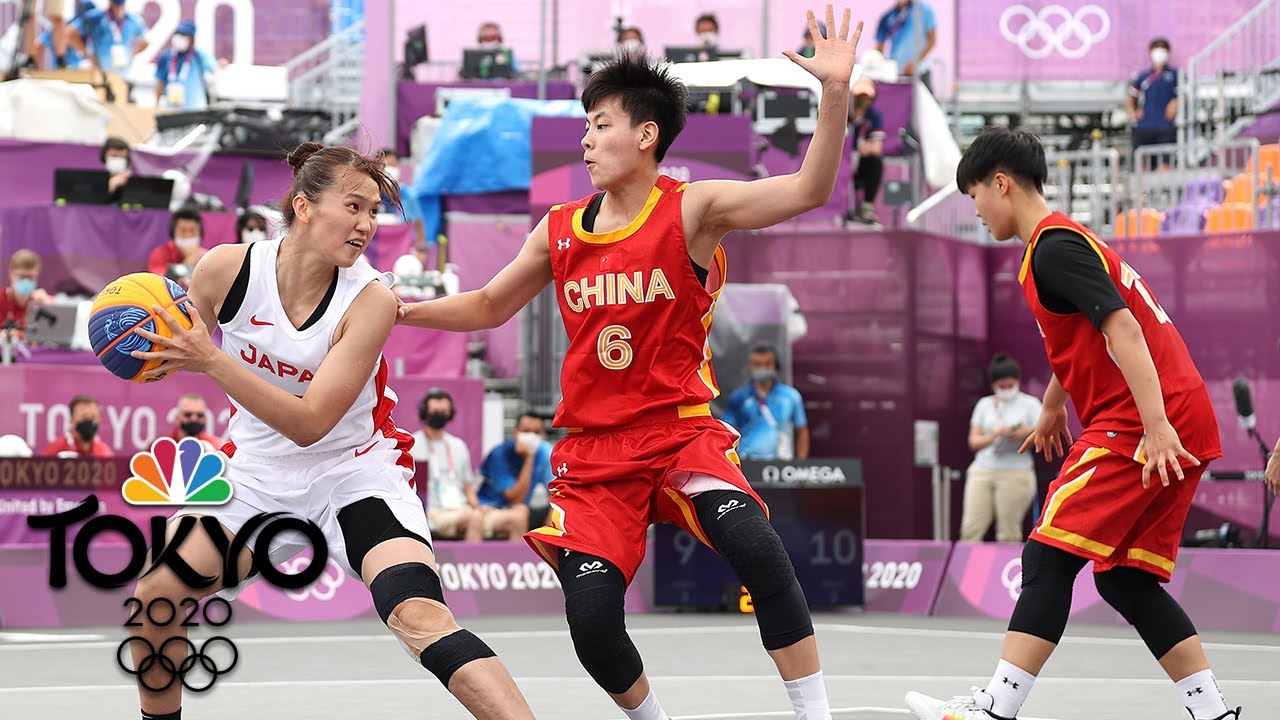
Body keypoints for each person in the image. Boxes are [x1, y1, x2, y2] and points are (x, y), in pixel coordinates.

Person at [398, 8, 862, 719]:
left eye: (600, 124)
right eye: (584, 127)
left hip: (680, 435)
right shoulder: (559, 230)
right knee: (591, 625)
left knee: (759, 552)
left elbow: (808, 189)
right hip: (595, 454)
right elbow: (489, 304)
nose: (586, 140)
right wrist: (400, 311)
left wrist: (833, 92)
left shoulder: (693, 210)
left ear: (646, 135)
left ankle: (816, 714)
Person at [125, 142, 535, 720]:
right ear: (304, 207)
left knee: (418, 614)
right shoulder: (225, 270)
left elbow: (310, 424)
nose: (367, 224)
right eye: (354, 207)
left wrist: (210, 360)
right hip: (254, 476)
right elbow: (177, 347)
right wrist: (139, 342)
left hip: (353, 473)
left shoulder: (370, 301)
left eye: (375, 212)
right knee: (156, 595)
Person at [905, 127, 1237, 720]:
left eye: (974, 195)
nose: (975, 210)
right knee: (1125, 580)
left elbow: (1123, 328)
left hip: (1143, 420)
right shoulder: (1063, 244)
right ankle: (1214, 713)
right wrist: (1055, 402)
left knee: (1046, 558)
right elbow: (1086, 335)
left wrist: (1155, 424)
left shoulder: (1054, 248)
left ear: (1000, 184)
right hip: (1178, 416)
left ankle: (994, 709)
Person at [958, 354, 1042, 544]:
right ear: (993, 385)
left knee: (1008, 533)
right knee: (971, 530)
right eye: (1001, 386)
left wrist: (1024, 432)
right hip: (982, 469)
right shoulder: (984, 404)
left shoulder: (1030, 404)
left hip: (1016, 472)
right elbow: (973, 441)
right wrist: (994, 435)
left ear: (1018, 381)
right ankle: (967, 563)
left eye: (1010, 385)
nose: (1006, 390)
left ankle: (1004, 563)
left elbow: (1045, 433)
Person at [411, 388, 485, 542]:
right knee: (474, 519)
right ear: (425, 412)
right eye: (435, 411)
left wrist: (478, 507)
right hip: (432, 511)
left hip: (461, 507)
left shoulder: (458, 445)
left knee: (516, 518)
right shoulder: (412, 444)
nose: (439, 415)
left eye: (444, 411)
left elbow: (467, 486)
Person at [722, 345, 810, 461]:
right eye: (757, 364)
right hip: (746, 461)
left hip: (781, 461)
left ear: (776, 366)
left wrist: (800, 464)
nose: (762, 368)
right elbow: (727, 432)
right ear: (750, 366)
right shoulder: (739, 397)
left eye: (767, 364)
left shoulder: (791, 396)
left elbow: (802, 432)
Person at [476, 412, 551, 539]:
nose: (531, 436)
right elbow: (515, 498)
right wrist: (529, 458)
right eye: (526, 431)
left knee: (558, 508)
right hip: (489, 508)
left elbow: (556, 493)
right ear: (515, 433)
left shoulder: (544, 452)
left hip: (522, 508)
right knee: (520, 512)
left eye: (536, 432)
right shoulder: (499, 454)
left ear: (543, 435)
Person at [1127, 38, 1178, 170]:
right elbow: (1131, 98)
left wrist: (1176, 102)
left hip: (1165, 127)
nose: (1160, 54)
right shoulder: (1143, 76)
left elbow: (1184, 94)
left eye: (1163, 50)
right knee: (1143, 166)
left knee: (1165, 165)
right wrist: (1133, 114)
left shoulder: (1174, 75)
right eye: (1157, 50)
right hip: (1144, 128)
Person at [68, 0, 148, 77]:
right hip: (99, 71)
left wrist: (131, 54)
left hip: (123, 72)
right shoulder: (95, 17)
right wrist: (88, 54)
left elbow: (145, 42)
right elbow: (71, 33)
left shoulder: (133, 20)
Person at [846, 75, 884, 225]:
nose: (863, 100)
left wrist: (860, 148)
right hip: (840, 161)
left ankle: (867, 208)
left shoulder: (874, 115)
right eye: (859, 96)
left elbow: (876, 148)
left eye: (867, 96)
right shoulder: (842, 113)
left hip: (859, 162)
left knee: (876, 163)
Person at [153, 20, 217, 111]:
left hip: (195, 109)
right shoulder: (166, 56)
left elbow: (214, 69)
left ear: (191, 39)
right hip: (171, 109)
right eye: (178, 34)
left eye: (184, 35)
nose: (179, 38)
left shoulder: (199, 56)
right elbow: (160, 81)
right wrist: (157, 103)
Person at [874, 0, 936, 88]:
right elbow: (879, 48)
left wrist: (915, 62)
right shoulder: (888, 17)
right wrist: (882, 66)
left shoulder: (925, 10)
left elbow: (932, 41)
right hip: (898, 73)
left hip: (921, 71)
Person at [148, 207, 207, 289]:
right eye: (183, 231)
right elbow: (160, 284)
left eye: (192, 231)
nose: (188, 235)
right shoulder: (160, 253)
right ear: (173, 232)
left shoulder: (207, 256)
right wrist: (189, 261)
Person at [0, 249, 51, 341]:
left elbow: (56, 333)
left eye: (30, 277)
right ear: (11, 274)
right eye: (22, 277)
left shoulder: (43, 300)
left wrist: (50, 306)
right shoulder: (1, 299)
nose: (26, 281)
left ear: (37, 275)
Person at [41, 395, 113, 458]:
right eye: (84, 417)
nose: (89, 421)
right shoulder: (56, 450)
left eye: (93, 417)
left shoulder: (104, 453)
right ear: (71, 420)